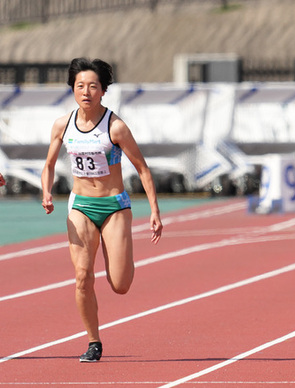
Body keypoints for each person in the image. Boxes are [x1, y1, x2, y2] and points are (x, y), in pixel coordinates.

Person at [41, 58, 163, 362]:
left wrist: (154, 211)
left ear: (103, 91)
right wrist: (46, 191)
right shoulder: (62, 124)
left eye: (93, 86)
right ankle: (93, 342)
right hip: (80, 206)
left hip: (114, 207)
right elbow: (49, 164)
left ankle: (118, 253)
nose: (86, 92)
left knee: (120, 285)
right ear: (72, 89)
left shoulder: (116, 127)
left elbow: (142, 168)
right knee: (82, 276)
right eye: (80, 86)